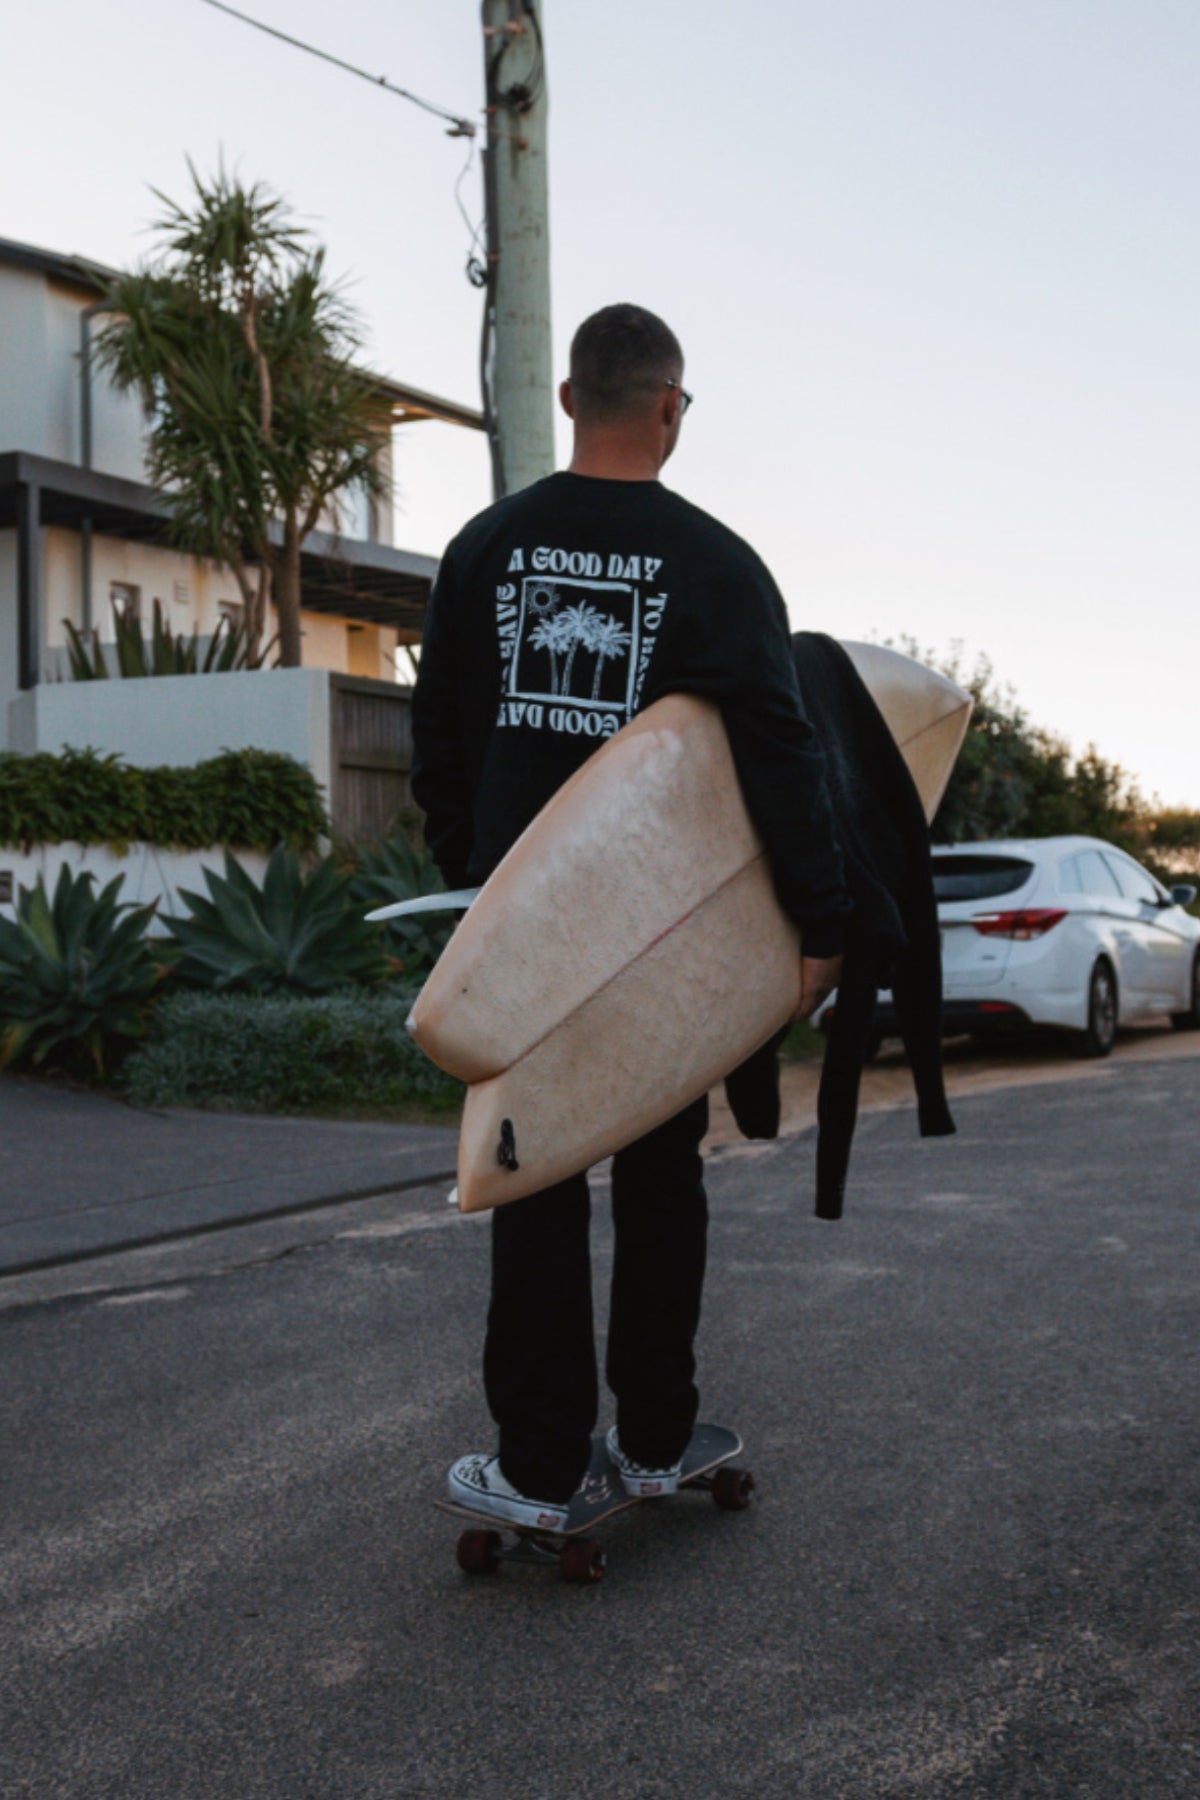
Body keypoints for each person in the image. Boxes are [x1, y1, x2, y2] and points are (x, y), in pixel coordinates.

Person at [411, 303, 851, 1530]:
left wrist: (484, 885)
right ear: (671, 409)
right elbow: (779, 751)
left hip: (529, 933)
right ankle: (657, 1436)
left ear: (567, 400)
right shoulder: (718, 564)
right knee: (663, 1174)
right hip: (659, 937)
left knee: (531, 1172)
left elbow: (437, 737)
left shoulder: (485, 548)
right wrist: (818, 924)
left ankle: (543, 1464)